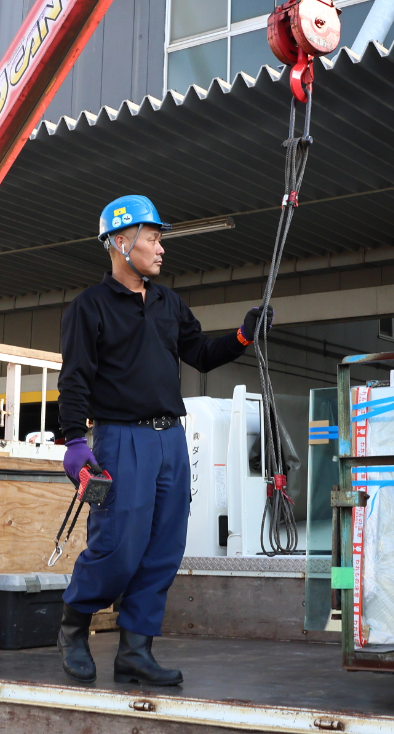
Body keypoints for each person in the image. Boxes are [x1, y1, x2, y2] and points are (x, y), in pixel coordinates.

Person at [56, 195, 271, 686]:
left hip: (170, 440)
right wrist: (75, 443)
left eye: (159, 238)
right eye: (152, 238)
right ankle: (73, 625)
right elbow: (74, 381)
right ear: (119, 242)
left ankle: (135, 651)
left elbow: (200, 352)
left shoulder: (169, 303)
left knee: (164, 547)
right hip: (119, 441)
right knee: (117, 547)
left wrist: (244, 336)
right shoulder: (89, 307)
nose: (160, 247)